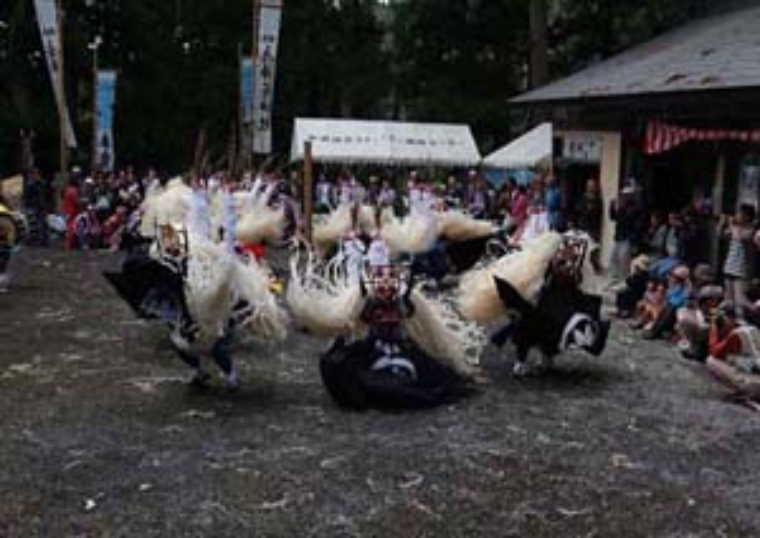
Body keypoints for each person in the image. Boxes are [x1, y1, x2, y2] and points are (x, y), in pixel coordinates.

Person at [721, 204, 757, 320]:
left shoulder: (752, 229)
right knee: (728, 301)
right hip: (730, 266)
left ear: (747, 216)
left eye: (740, 213)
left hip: (742, 270)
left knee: (740, 301)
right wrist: (722, 223)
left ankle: (746, 320)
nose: (737, 216)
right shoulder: (735, 228)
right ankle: (730, 324)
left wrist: (732, 224)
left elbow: (741, 237)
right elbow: (721, 236)